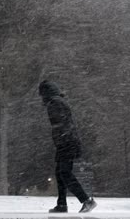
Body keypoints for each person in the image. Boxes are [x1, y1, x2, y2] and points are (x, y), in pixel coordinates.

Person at [38, 80, 97, 213]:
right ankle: (62, 204)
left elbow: (61, 124)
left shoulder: (55, 103)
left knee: (64, 173)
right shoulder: (58, 101)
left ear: (46, 93)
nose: (41, 98)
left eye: (42, 94)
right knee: (60, 173)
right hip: (66, 142)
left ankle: (86, 201)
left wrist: (62, 139)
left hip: (66, 142)